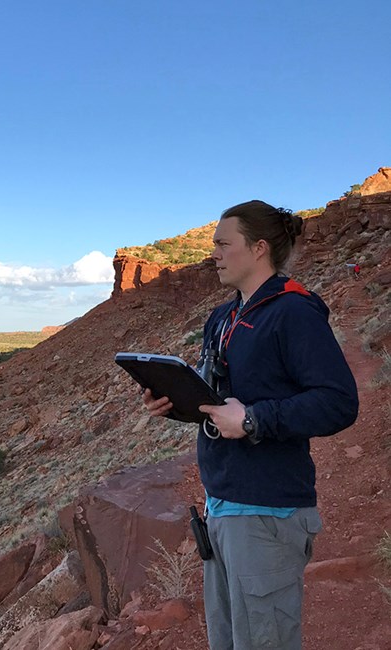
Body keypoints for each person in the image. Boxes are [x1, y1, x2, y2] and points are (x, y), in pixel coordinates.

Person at [143, 200, 358, 650]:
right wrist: (178, 403)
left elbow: (339, 403)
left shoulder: (293, 312)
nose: (213, 254)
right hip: (221, 506)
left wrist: (254, 419)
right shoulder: (222, 317)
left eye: (223, 244)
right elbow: (220, 402)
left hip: (267, 514)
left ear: (259, 248)